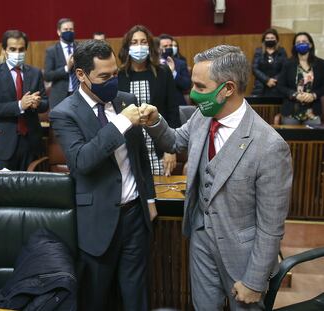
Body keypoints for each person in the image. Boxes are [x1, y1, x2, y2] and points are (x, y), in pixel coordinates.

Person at [141, 45, 292, 310]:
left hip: (242, 256)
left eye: (200, 87)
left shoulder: (270, 146)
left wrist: (255, 282)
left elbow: (271, 226)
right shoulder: (202, 117)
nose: (192, 94)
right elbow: (176, 141)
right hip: (200, 240)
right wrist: (156, 122)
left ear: (228, 89)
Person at [50, 39, 156, 311]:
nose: (112, 81)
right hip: (96, 221)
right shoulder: (64, 113)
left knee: (136, 297)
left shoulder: (126, 100)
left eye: (116, 74)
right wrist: (121, 122)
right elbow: (82, 160)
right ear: (82, 75)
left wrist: (151, 199)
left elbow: (139, 155)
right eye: (104, 76)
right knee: (96, 299)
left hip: (134, 215)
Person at [118, 25, 180, 176]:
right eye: (134, 42)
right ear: (127, 47)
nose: (139, 46)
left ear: (150, 45)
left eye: (143, 42)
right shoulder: (119, 75)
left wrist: (171, 148)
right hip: (128, 150)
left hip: (158, 149)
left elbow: (172, 111)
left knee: (160, 195)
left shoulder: (163, 72)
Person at [0, 30, 48, 171]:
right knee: (4, 190)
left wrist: (36, 104)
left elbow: (45, 104)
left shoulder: (35, 73)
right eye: (12, 49)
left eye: (21, 49)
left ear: (26, 49)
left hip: (31, 142)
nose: (17, 53)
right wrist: (20, 105)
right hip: (4, 143)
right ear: (4, 50)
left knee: (30, 190)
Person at [277, 31, 324, 125]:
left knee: (314, 137)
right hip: (291, 110)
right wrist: (295, 95)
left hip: (312, 111)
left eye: (304, 41)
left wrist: (313, 95)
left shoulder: (320, 64)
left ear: (310, 44)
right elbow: (280, 86)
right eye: (298, 42)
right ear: (294, 46)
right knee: (290, 137)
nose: (301, 44)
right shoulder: (287, 64)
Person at [44, 18, 78, 109]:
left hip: (79, 93)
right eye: (65, 30)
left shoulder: (80, 48)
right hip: (59, 96)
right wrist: (67, 68)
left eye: (71, 29)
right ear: (59, 32)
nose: (69, 32)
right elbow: (47, 76)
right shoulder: (52, 51)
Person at [251, 28, 287, 97]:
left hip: (277, 86)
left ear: (276, 39)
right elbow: (254, 68)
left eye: (272, 38)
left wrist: (274, 80)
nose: (270, 40)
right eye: (267, 38)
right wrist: (267, 80)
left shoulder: (282, 51)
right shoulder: (258, 51)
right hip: (260, 87)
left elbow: (285, 69)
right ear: (264, 40)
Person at [159, 33, 191, 106]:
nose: (169, 48)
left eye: (170, 45)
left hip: (177, 103)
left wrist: (173, 72)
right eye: (165, 46)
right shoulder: (153, 64)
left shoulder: (181, 63)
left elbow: (186, 85)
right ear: (158, 48)